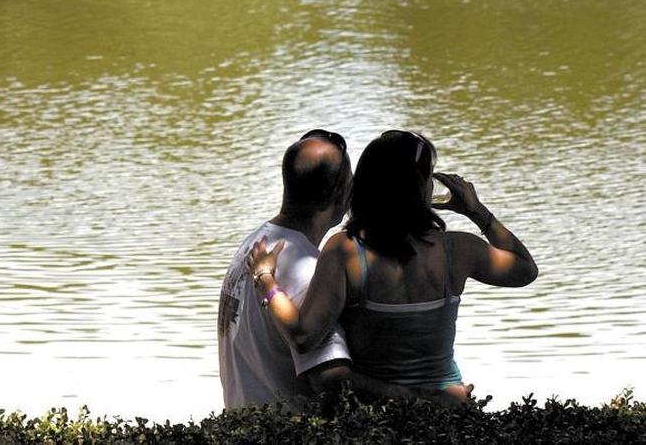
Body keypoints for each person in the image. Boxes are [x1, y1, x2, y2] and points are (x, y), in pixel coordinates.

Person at [247, 130, 538, 399]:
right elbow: (526, 270)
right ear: (419, 188)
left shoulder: (345, 251)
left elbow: (302, 337)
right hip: (449, 407)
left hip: (378, 415)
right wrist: (477, 212)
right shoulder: (459, 249)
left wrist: (266, 278)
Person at [219, 129, 455, 409]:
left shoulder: (254, 244)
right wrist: (426, 400)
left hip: (245, 425)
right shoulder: (307, 271)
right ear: (340, 192)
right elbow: (331, 379)